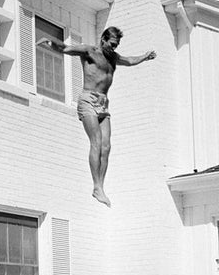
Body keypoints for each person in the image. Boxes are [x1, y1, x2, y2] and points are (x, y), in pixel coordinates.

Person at [37, 26, 156, 206]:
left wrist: (144, 57)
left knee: (106, 146)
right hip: (88, 100)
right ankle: (96, 186)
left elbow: (130, 60)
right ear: (103, 39)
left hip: (103, 103)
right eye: (112, 44)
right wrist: (50, 42)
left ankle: (100, 186)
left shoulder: (113, 58)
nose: (114, 49)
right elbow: (65, 48)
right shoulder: (89, 51)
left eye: (116, 46)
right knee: (97, 141)